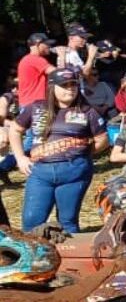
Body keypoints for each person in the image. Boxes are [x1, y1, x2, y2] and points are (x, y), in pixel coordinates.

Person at [7, 66, 107, 233]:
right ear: (53, 87)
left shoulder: (87, 111)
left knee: (67, 221)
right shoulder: (36, 107)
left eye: (73, 85)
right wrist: (20, 158)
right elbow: (15, 130)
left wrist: (81, 152)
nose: (70, 89)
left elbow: (103, 140)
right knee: (31, 221)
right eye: (65, 85)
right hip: (40, 172)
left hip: (74, 172)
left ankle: (70, 257)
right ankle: (35, 257)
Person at [16, 32, 55, 113]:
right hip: (35, 105)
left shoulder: (27, 59)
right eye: (46, 44)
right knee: (39, 126)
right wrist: (62, 56)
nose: (49, 46)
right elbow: (59, 73)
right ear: (38, 44)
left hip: (28, 104)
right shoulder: (34, 59)